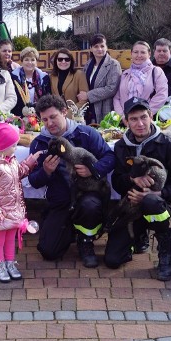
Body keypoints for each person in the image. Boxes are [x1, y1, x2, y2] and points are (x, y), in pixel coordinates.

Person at [106, 97, 171, 281]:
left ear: (151, 116)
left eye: (144, 117)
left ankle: (165, 251)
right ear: (126, 121)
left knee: (151, 202)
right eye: (134, 119)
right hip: (130, 206)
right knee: (112, 260)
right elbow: (116, 181)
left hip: (157, 204)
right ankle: (138, 236)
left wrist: (158, 193)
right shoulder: (121, 147)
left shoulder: (170, 147)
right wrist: (132, 179)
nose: (140, 123)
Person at [28, 95, 115, 268]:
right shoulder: (39, 143)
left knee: (90, 206)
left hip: (87, 194)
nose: (49, 123)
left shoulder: (86, 133)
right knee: (48, 252)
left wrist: (93, 169)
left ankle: (86, 241)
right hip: (60, 200)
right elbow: (34, 181)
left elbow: (110, 156)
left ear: (64, 112)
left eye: (53, 117)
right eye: (44, 119)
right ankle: (68, 228)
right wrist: (46, 171)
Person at [0, 122, 41, 282]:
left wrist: (31, 161)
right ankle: (0, 265)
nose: (15, 148)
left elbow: (18, 173)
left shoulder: (10, 160)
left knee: (10, 239)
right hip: (0, 213)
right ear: (3, 146)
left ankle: (10, 262)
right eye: (13, 145)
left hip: (14, 211)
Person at [112, 41, 168, 118]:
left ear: (149, 54)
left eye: (143, 52)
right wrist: (122, 116)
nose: (139, 55)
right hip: (126, 120)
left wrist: (146, 113)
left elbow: (162, 94)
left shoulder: (156, 71)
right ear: (131, 54)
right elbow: (117, 98)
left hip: (147, 120)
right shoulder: (125, 74)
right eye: (135, 52)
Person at [77, 33, 121, 124]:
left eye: (102, 46)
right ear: (91, 48)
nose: (99, 49)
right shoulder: (88, 64)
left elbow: (111, 88)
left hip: (105, 108)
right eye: (96, 46)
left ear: (106, 47)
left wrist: (88, 95)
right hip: (88, 109)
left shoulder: (113, 64)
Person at [48, 48, 89, 119]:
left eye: (67, 59)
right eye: (60, 59)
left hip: (75, 118)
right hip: (57, 117)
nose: (63, 62)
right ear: (56, 61)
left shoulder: (79, 75)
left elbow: (84, 100)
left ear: (71, 61)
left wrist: (67, 114)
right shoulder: (52, 76)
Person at [10, 46, 50, 117]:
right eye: (26, 60)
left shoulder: (44, 78)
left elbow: (47, 98)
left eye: (32, 60)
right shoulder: (13, 78)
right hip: (18, 118)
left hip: (40, 117)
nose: (29, 62)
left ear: (36, 62)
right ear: (22, 62)